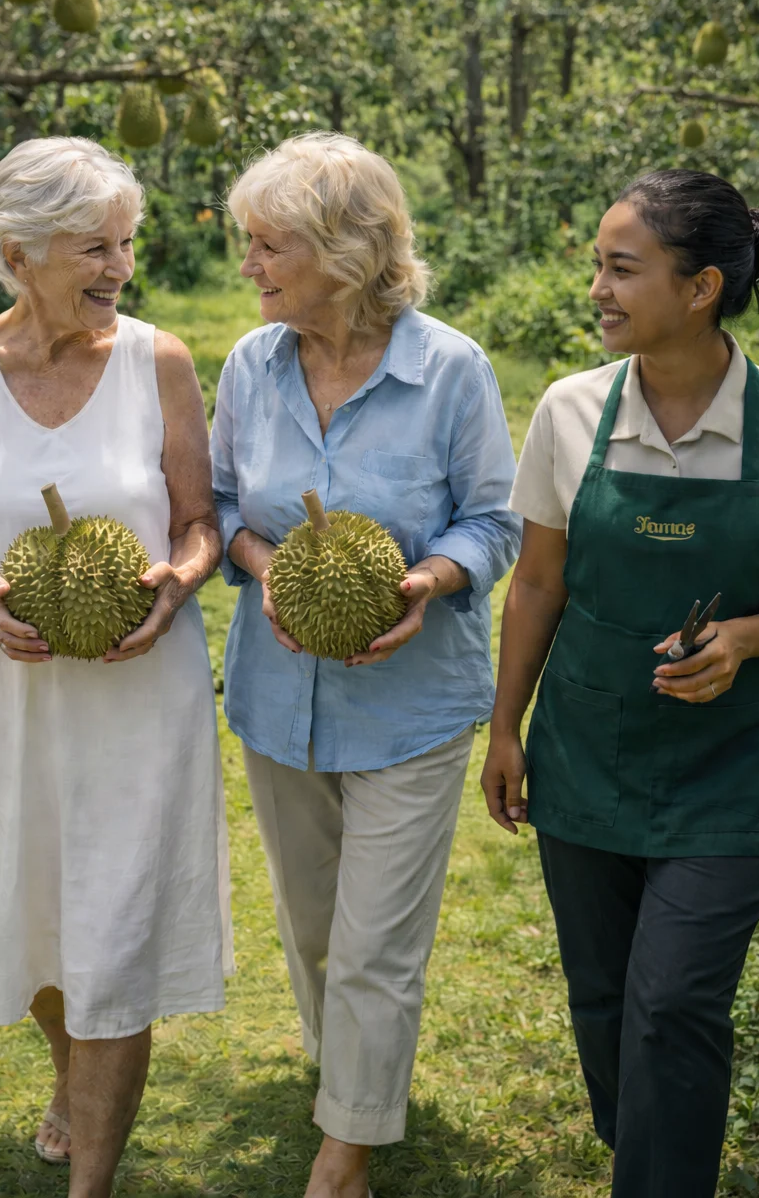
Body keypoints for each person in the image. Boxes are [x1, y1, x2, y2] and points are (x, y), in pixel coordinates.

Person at [480, 167, 759, 1198]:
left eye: (622, 269)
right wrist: (506, 727)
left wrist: (743, 637)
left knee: (672, 1004)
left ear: (700, 288)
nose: (598, 290)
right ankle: (648, 1154)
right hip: (585, 753)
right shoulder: (571, 411)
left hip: (727, 771)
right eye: (598, 268)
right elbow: (538, 583)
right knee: (607, 1000)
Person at [0, 137, 232, 1198]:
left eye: (124, 242)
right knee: (26, 923)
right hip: (1, 701)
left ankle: (93, 1181)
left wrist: (177, 581)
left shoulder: (159, 361)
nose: (121, 266)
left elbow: (199, 522)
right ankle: (73, 1076)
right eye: (95, 247)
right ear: (18, 251)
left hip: (137, 698)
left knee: (114, 937)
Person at [210, 132, 520, 1198]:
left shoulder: (450, 371)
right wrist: (269, 568)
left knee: (376, 939)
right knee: (311, 927)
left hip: (411, 704)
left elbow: (494, 521)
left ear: (344, 252)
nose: (248, 264)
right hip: (277, 693)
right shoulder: (250, 367)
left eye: (268, 244)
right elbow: (222, 506)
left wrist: (426, 581)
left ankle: (344, 1155)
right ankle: (346, 1074)